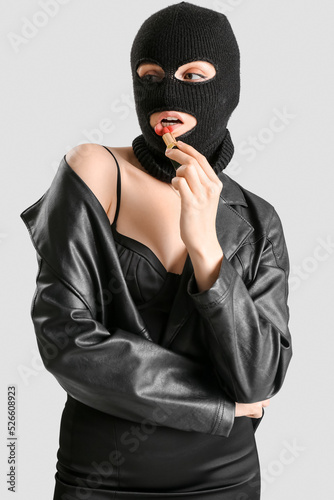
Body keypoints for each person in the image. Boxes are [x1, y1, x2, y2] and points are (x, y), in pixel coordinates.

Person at [20, 2, 292, 499]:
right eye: (151, 75)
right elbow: (65, 339)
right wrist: (218, 408)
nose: (168, 92)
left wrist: (206, 248)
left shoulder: (257, 219)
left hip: (224, 479)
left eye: (192, 75)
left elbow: (257, 380)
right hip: (100, 477)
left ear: (226, 89)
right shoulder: (94, 171)